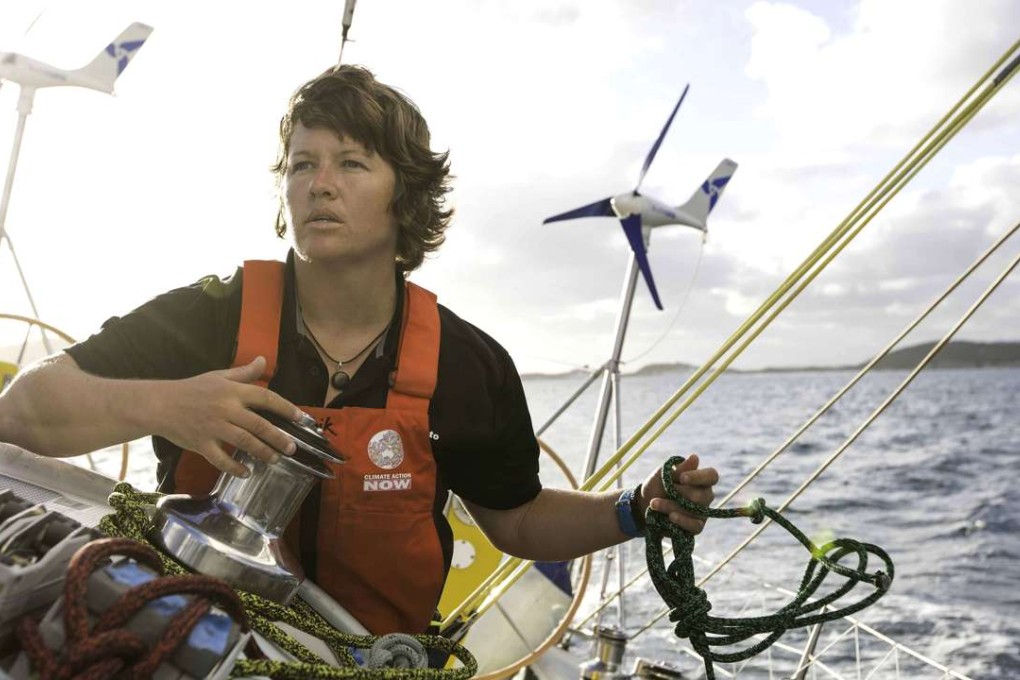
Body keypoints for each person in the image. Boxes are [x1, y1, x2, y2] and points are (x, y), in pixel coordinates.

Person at [0, 65, 718, 635]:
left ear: (405, 196)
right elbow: (22, 414)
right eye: (301, 164)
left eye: (350, 164)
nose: (319, 185)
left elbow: (517, 518)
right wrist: (173, 404)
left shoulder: (468, 364)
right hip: (183, 638)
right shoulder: (208, 317)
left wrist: (632, 510)